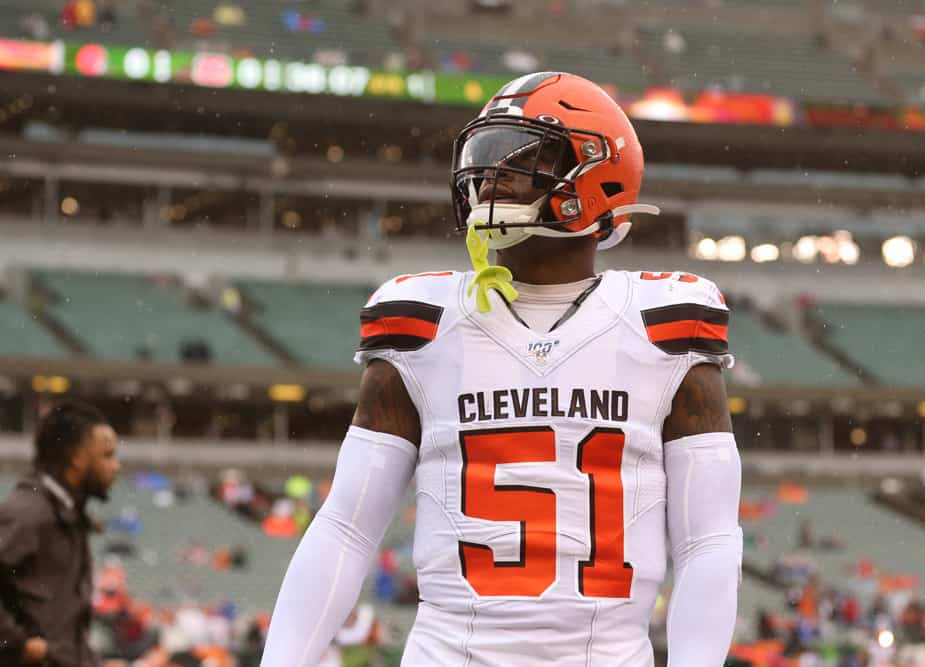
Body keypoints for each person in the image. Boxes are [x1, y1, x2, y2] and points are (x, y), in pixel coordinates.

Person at [262, 71, 743, 666]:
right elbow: (347, 528)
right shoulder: (421, 319)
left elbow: (708, 541)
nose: (488, 177)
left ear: (594, 175)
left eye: (518, 160)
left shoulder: (665, 321)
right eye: (484, 159)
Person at [0, 399, 121, 666]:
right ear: (76, 457)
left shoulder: (67, 513)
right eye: (107, 455)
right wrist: (18, 645)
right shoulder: (29, 512)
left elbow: (63, 623)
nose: (116, 466)